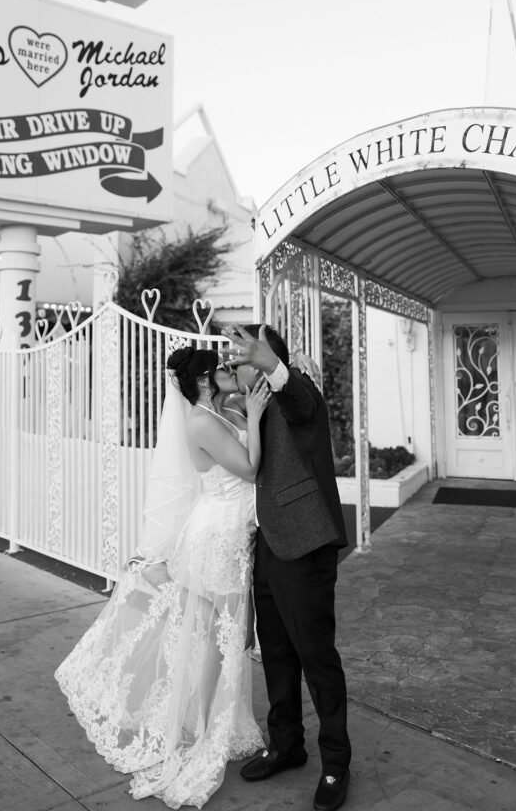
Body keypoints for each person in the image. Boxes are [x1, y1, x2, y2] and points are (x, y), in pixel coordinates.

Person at [55, 345, 270, 809]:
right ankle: (205, 732)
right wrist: (253, 414)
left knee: (225, 636)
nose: (231, 373)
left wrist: (248, 401)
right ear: (201, 381)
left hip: (227, 532)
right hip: (218, 539)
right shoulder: (200, 421)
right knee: (224, 636)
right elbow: (250, 469)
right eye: (222, 370)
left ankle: (218, 723)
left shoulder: (217, 410)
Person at [226, 323, 352, 811]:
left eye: (244, 357)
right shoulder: (250, 408)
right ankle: (287, 745)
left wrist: (271, 365)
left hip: (305, 545)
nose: (236, 364)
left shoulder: (300, 397)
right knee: (276, 654)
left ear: (265, 361)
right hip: (266, 548)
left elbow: (298, 400)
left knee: (317, 658)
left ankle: (336, 764)